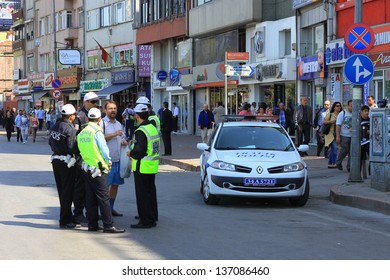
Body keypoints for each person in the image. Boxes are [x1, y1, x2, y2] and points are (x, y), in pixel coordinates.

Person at [77, 108, 125, 233]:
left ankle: (92, 224)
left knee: (90, 197)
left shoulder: (82, 132)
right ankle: (108, 225)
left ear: (88, 118)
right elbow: (104, 150)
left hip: (86, 168)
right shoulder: (97, 132)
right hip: (98, 168)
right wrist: (108, 161)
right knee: (103, 197)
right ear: (99, 119)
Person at [129, 104, 160, 228]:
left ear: (137, 115)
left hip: (142, 166)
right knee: (150, 193)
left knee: (142, 195)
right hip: (152, 166)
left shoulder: (141, 131)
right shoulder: (152, 127)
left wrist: (130, 152)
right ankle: (151, 216)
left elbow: (139, 150)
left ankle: (145, 220)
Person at [72, 91, 100, 224]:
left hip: (93, 157)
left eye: (96, 102)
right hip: (82, 157)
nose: (95, 104)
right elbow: (75, 136)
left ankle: (92, 212)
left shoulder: (97, 115)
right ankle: (78, 213)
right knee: (80, 186)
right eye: (92, 102)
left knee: (92, 186)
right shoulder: (80, 116)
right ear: (85, 102)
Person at [49, 104, 78, 229]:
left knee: (62, 190)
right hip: (66, 162)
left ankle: (66, 217)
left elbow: (50, 142)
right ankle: (65, 219)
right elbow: (71, 147)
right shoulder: (69, 128)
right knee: (67, 191)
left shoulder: (55, 126)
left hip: (55, 161)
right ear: (71, 116)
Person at [102, 101, 128, 217]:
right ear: (105, 110)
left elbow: (122, 136)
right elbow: (100, 139)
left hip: (118, 159)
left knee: (115, 185)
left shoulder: (118, 123)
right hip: (107, 161)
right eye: (110, 108)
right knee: (105, 187)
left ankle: (111, 208)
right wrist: (113, 134)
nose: (113, 110)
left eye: (114, 108)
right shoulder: (102, 123)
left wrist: (124, 141)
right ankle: (104, 210)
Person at [323, 102, 342, 168]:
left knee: (334, 149)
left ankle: (330, 163)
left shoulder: (341, 114)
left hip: (338, 134)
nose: (339, 107)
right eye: (337, 106)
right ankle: (334, 163)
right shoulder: (330, 114)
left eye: (339, 106)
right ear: (334, 107)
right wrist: (331, 122)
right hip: (330, 134)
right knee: (334, 149)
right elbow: (324, 122)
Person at [336, 100, 353, 172]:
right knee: (344, 150)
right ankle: (338, 162)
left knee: (352, 152)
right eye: (351, 106)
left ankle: (349, 167)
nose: (352, 108)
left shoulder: (356, 114)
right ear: (348, 106)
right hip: (344, 135)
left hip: (353, 136)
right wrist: (338, 136)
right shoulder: (342, 113)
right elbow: (338, 125)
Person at [360, 105, 370, 176]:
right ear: (362, 112)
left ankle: (371, 172)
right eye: (365, 111)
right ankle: (358, 174)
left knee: (371, 158)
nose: (367, 113)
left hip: (369, 142)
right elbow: (351, 129)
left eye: (367, 111)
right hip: (360, 143)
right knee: (360, 158)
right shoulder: (358, 120)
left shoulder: (370, 119)